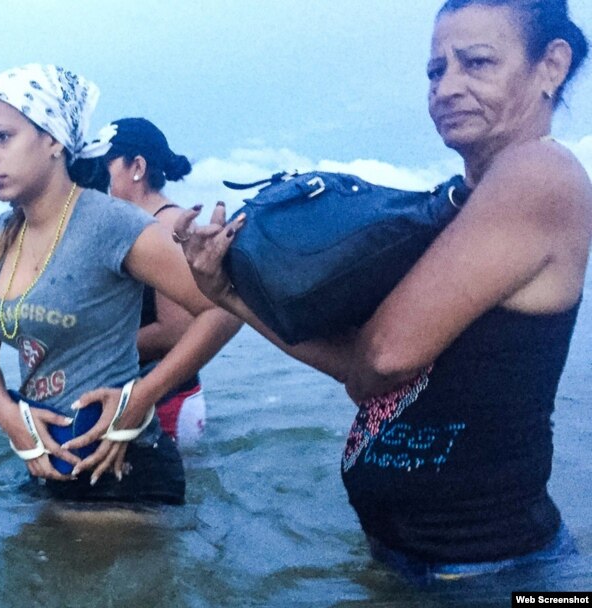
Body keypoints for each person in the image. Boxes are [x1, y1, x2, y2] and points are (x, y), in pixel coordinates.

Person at [176, 0, 590, 582]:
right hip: (423, 565)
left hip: (499, 575)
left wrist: (363, 363)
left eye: (475, 63)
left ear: (551, 65)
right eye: (435, 70)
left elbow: (382, 360)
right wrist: (228, 293)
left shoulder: (538, 175)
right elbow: (369, 375)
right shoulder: (465, 203)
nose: (447, 87)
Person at [0, 64, 239, 504]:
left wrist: (142, 396)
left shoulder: (112, 223)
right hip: (44, 469)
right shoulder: (2, 234)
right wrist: (13, 420)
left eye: (2, 137)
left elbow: (225, 307)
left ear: (53, 139)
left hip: (123, 472)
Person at [98, 117, 242, 446]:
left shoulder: (168, 225)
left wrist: (92, 348)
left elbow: (174, 330)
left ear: (137, 166)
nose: (98, 177)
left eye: (106, 164)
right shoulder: (138, 225)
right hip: (158, 394)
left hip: (166, 400)